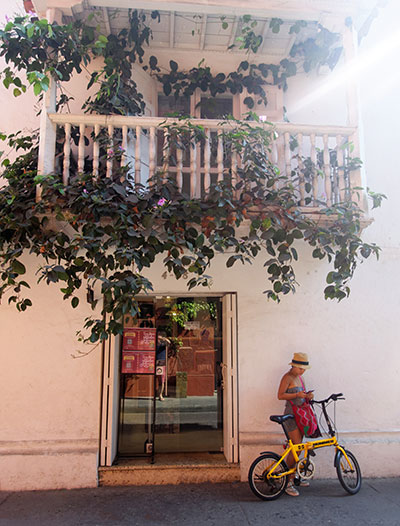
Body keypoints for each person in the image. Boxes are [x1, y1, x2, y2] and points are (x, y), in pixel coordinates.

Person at [277, 352, 314, 497]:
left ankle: (294, 476)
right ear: (293, 366)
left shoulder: (300, 378)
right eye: (300, 368)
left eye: (304, 369)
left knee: (298, 446)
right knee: (296, 446)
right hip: (291, 415)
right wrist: (296, 395)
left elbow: (302, 394)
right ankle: (287, 481)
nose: (302, 371)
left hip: (301, 415)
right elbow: (280, 395)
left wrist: (307, 396)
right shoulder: (287, 377)